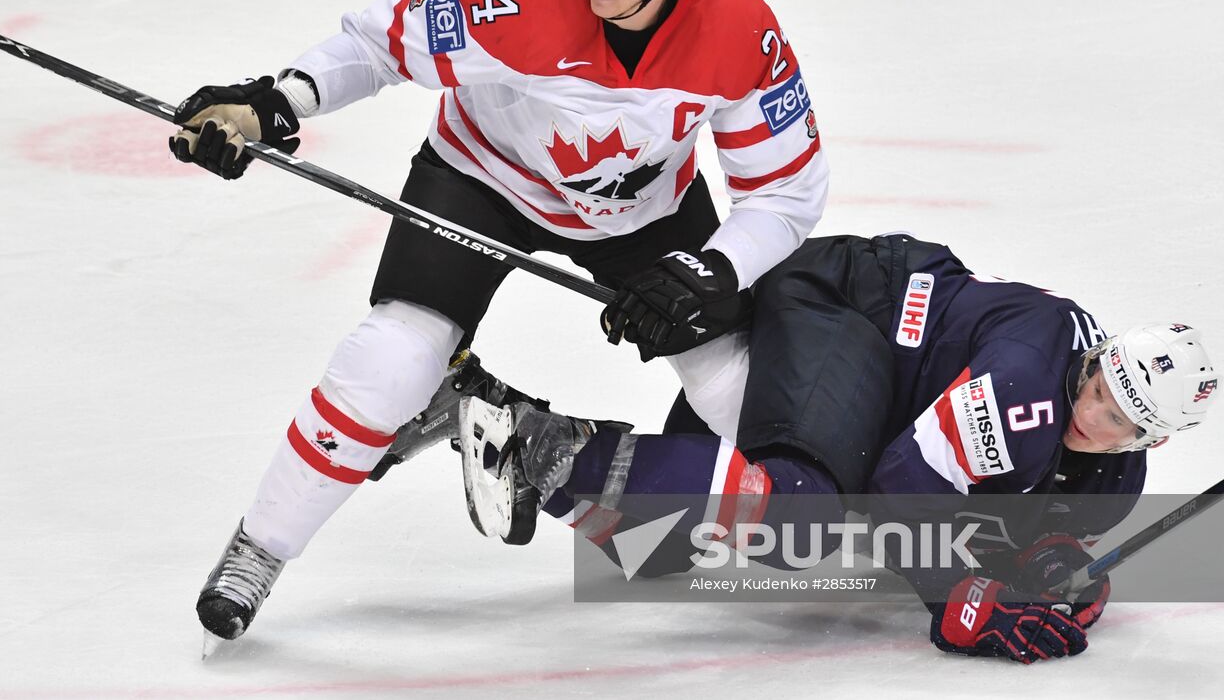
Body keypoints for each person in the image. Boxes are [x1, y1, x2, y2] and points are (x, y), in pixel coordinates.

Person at [170, 0, 830, 642]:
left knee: (738, 395)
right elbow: (379, 43)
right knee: (390, 362)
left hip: (644, 213)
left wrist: (711, 268)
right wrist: (272, 104)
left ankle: (871, 521)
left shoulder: (738, 32)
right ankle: (259, 551)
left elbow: (785, 190)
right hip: (482, 181)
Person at [452, 233, 1218, 663]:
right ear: (1099, 358)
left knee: (657, 546)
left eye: (1122, 420)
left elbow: (1013, 524)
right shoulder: (1026, 387)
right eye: (1098, 387)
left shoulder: (1113, 482)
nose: (1094, 414)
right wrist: (961, 597)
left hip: (875, 384)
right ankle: (534, 447)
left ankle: (497, 416)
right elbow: (897, 491)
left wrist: (1051, 567)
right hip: (849, 310)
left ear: (1151, 439)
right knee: (801, 515)